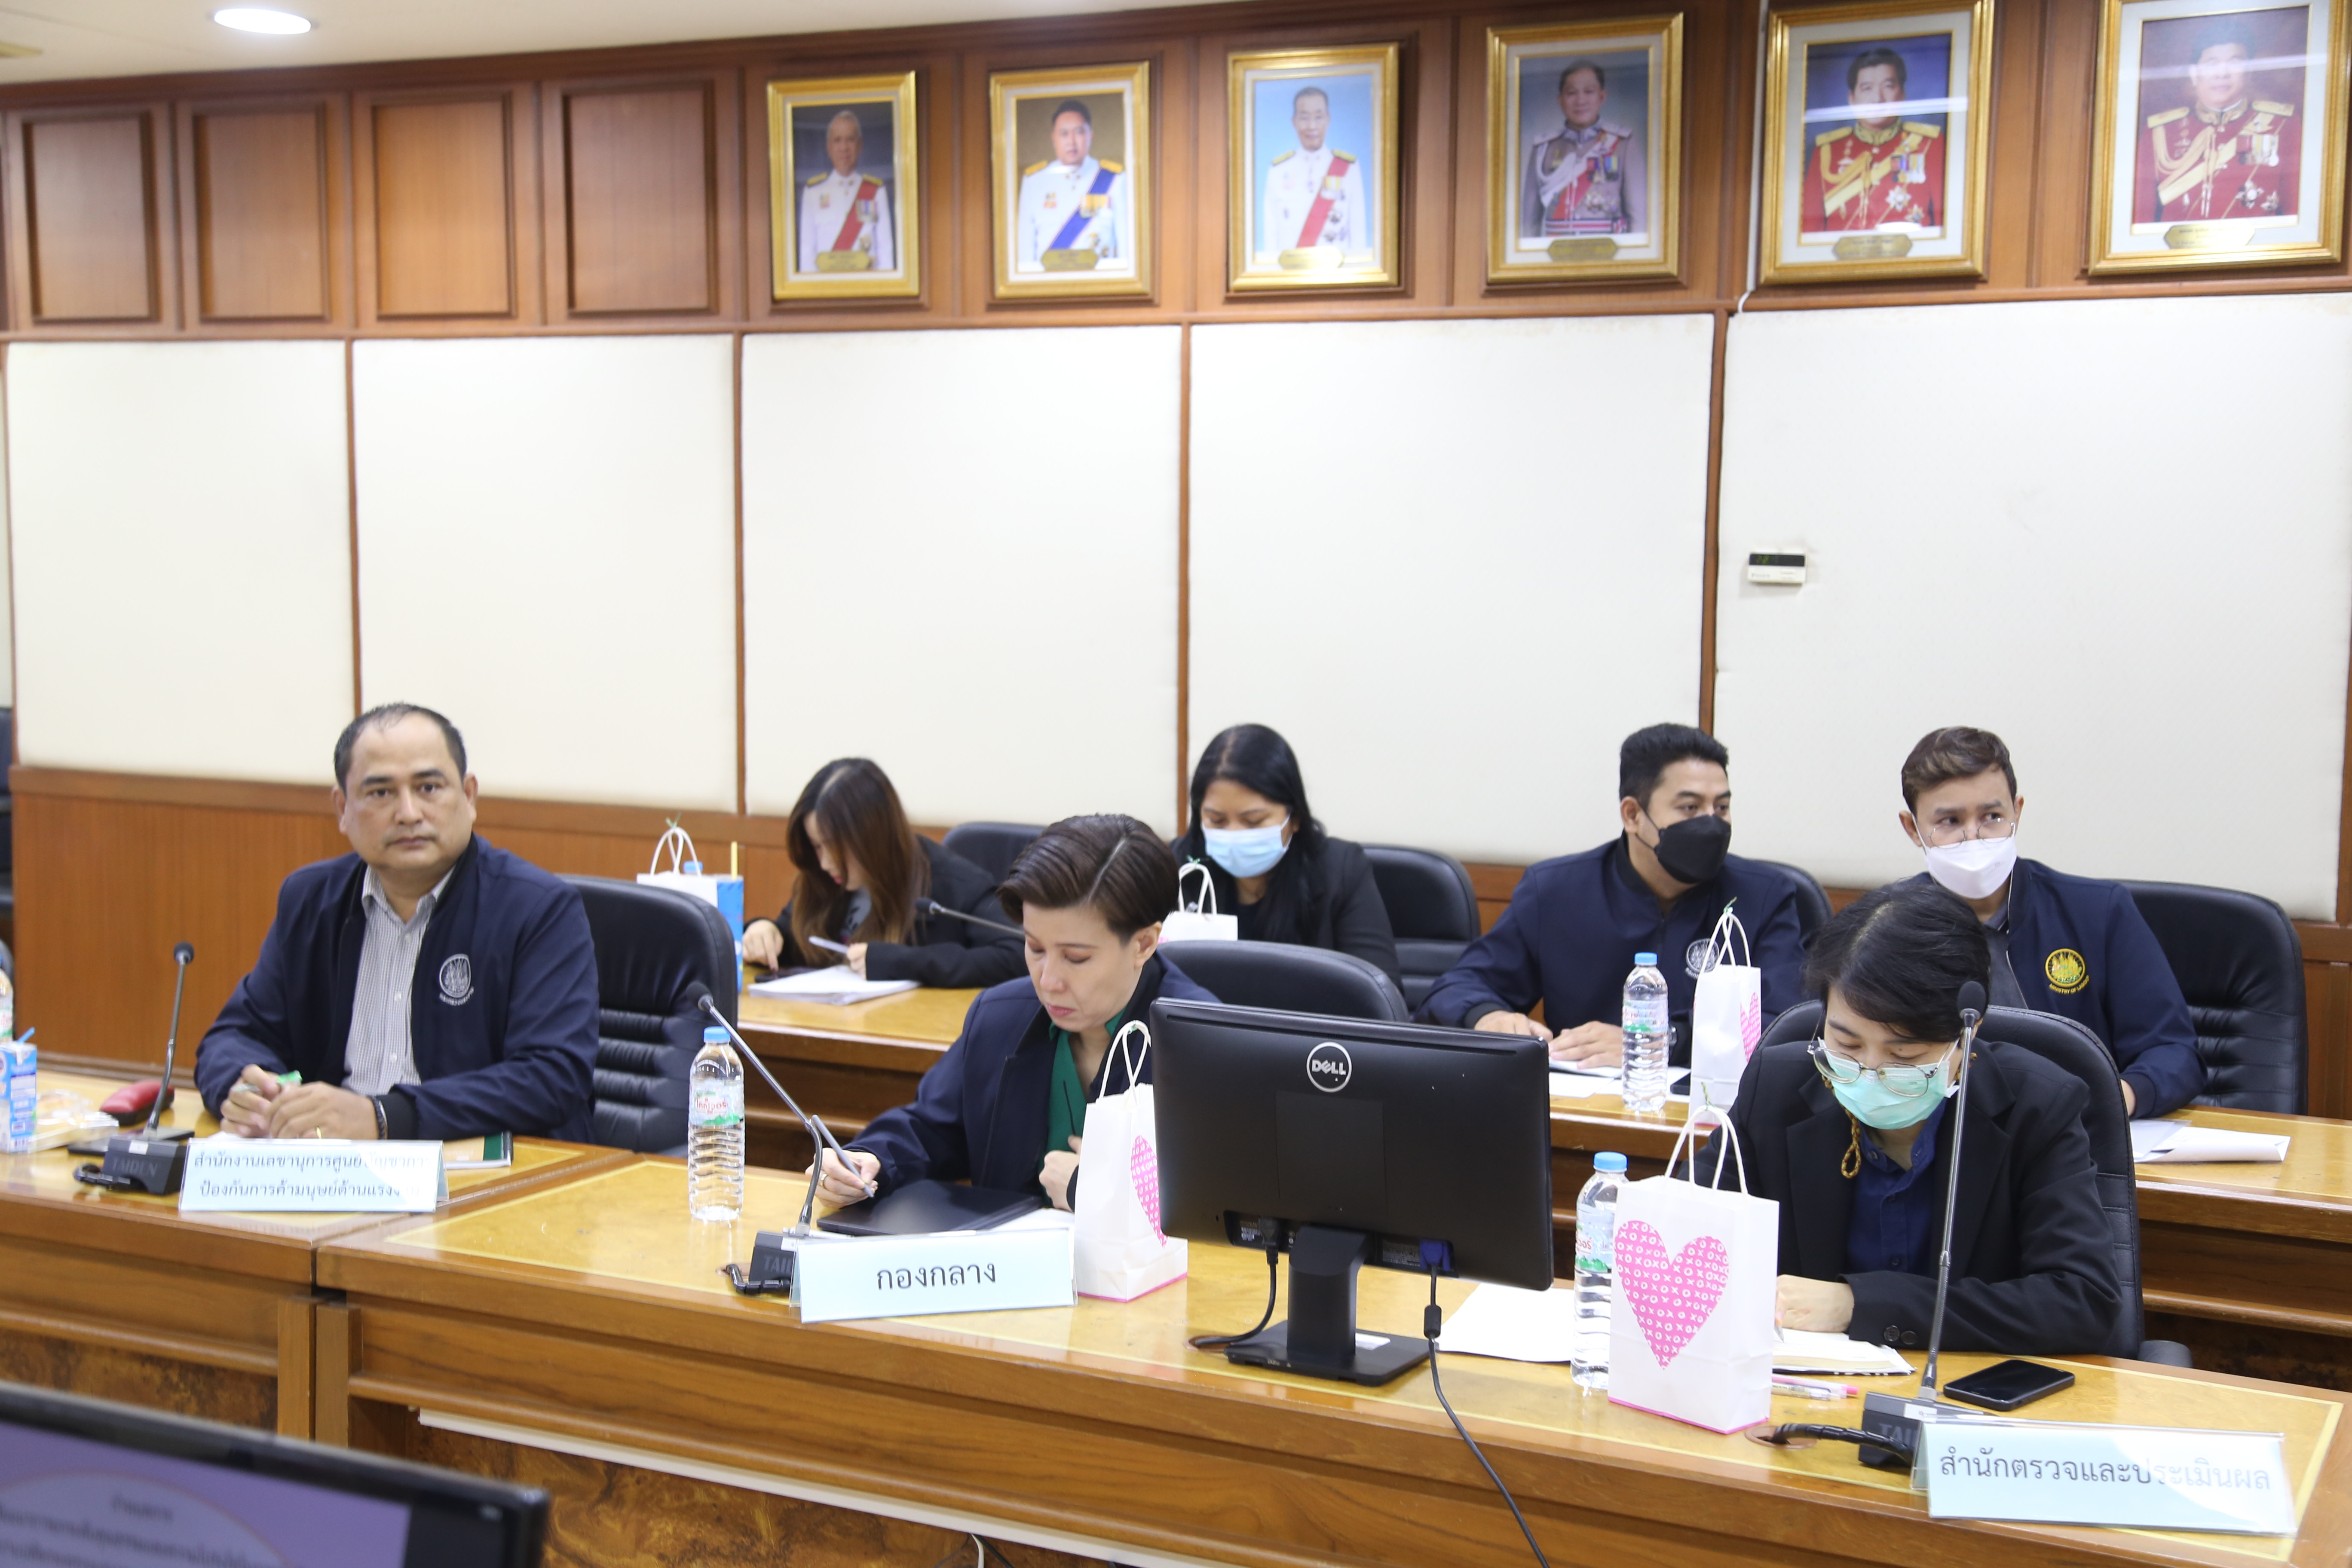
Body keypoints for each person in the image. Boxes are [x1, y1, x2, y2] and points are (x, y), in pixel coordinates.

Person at [1703, 881, 2122, 1354]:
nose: (1870, 1071)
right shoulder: (1775, 1088)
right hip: (1803, 1383)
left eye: (1905, 1056)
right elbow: (1691, 1232)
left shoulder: (2037, 1106)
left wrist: (1861, 1305)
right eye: (1847, 1044)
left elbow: (2082, 1300)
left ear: (1968, 1034)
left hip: (1967, 1385)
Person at [195, 704, 598, 1142]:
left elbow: (551, 1077)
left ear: (469, 796)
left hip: (485, 1166)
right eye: (381, 793)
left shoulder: (538, 909)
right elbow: (234, 1036)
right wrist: (250, 1090)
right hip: (330, 1161)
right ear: (343, 808)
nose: (408, 813)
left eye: (429, 788)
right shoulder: (311, 900)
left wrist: (385, 1117)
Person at [814, 815, 1216, 1211]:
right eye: (1035, 948)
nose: (1049, 980)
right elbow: (931, 1127)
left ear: (1144, 944)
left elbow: (1222, 1198)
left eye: (1076, 958)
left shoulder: (1202, 1042)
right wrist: (871, 1158)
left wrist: (1092, 1191)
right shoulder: (1000, 1016)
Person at [1419, 723, 1804, 1069]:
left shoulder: (1763, 897)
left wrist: (1663, 1041)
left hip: (1712, 1109)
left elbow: (1789, 1022)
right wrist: (1488, 1016)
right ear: (1633, 815)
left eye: (1721, 807)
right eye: (1690, 807)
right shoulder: (1556, 891)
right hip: (1584, 1101)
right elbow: (1457, 988)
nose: (1712, 823)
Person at [1896, 726, 2202, 1118]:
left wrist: (2116, 1100)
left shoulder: (2097, 912)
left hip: (2077, 1130)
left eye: (1992, 817)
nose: (1974, 837)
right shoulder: (1884, 928)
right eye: (1950, 821)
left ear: (2017, 812)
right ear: (1913, 828)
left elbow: (2173, 1052)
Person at [741, 758, 1023, 989]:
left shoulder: (953, 882)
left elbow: (1016, 955)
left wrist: (904, 962)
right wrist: (764, 931)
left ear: (873, 837)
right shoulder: (823, 879)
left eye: (835, 847)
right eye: (816, 847)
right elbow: (794, 938)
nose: (825, 863)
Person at [1170, 724, 1400, 986]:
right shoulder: (1177, 867)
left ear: (1295, 818)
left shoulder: (1341, 871)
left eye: (1254, 822)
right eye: (1217, 820)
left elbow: (1381, 994)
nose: (1234, 835)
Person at [2138, 18, 2300, 224]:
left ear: (2249, 72)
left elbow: (2296, 214)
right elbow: (2140, 220)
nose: (2222, 74)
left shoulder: (2284, 126)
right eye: (2212, 64)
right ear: (2194, 74)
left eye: (2234, 63)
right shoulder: (2160, 132)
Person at [1798, 46, 1944, 235]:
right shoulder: (1827, 151)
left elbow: (1946, 226)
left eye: (1888, 86)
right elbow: (1810, 232)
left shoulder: (1929, 145)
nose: (1877, 99)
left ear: (1903, 94)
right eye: (1867, 88)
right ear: (1852, 99)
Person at [1519, 59, 1646, 241]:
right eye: (1572, 93)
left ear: (1602, 97)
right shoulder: (1543, 148)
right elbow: (1529, 223)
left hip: (1609, 250)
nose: (1580, 101)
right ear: (1561, 100)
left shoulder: (1623, 144)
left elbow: (1638, 218)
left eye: (1589, 92)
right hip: (1556, 251)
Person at [1015, 99, 1127, 266]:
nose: (1072, 142)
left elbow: (1126, 249)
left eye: (1079, 132)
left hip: (1101, 280)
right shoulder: (1035, 182)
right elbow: (1025, 252)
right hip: (1047, 281)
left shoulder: (1115, 179)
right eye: (1064, 134)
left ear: (1090, 135)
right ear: (1054, 138)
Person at [1263, 86, 1369, 253]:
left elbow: (1358, 234)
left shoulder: (1349, 168)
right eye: (1304, 118)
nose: (1312, 126)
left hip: (1337, 268)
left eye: (1318, 117)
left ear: (1328, 120)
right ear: (1294, 122)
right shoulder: (1279, 170)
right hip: (1290, 268)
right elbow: (1271, 235)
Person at [797, 108, 895, 273]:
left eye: (850, 140)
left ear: (860, 145)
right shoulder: (813, 192)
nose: (844, 148)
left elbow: (885, 250)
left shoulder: (876, 191)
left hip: (868, 283)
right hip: (826, 284)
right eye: (837, 140)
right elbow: (807, 252)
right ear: (829, 148)